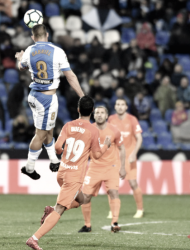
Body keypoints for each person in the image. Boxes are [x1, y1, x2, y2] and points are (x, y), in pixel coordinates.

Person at [25, 96, 111, 250]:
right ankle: (34, 238)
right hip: (74, 176)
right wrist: (105, 146)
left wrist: (66, 154)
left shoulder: (68, 126)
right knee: (60, 208)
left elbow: (57, 148)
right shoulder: (93, 130)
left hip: (62, 172)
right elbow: (97, 155)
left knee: (82, 200)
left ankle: (51, 210)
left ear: (78, 109)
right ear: (92, 111)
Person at [15, 24, 84, 180]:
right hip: (46, 99)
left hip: (34, 95)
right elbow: (70, 76)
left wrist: (20, 58)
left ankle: (54, 161)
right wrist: (82, 95)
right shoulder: (57, 51)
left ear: (33, 37)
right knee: (40, 134)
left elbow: (21, 67)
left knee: (48, 130)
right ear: (47, 34)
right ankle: (29, 167)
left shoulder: (29, 51)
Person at [78, 106, 126, 233]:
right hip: (94, 167)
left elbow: (122, 148)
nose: (99, 115)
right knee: (85, 196)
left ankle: (114, 222)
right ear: (94, 116)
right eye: (97, 113)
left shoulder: (114, 131)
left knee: (113, 192)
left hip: (112, 167)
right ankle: (87, 225)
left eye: (102, 113)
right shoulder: (88, 130)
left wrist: (123, 167)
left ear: (106, 116)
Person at [108, 98, 144, 218]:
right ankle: (112, 210)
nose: (120, 106)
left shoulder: (132, 119)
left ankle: (140, 209)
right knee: (112, 185)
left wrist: (134, 153)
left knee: (133, 183)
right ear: (115, 106)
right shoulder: (111, 119)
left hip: (129, 156)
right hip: (115, 157)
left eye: (122, 104)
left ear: (126, 107)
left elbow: (139, 138)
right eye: (117, 104)